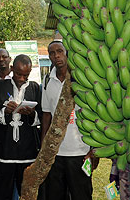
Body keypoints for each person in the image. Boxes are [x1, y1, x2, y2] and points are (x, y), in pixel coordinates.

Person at [0, 54, 42, 200]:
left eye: (26, 75)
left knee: (26, 192)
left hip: (27, 151)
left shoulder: (34, 88)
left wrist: (31, 114)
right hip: (5, 150)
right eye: (18, 74)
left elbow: (41, 117)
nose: (22, 78)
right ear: (11, 69)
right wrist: (5, 111)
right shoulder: (0, 86)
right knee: (2, 192)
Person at [42, 41, 92, 200]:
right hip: (56, 153)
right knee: (55, 195)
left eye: (59, 51)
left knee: (81, 195)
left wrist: (94, 150)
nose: (56, 56)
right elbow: (46, 115)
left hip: (80, 151)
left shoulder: (82, 80)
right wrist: (44, 147)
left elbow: (93, 116)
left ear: (67, 53)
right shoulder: (47, 81)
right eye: (52, 53)